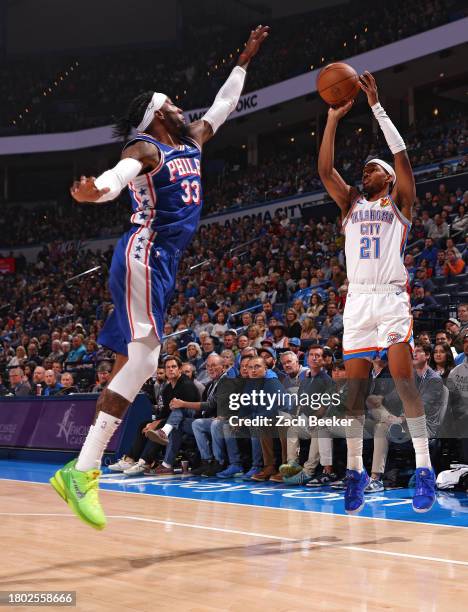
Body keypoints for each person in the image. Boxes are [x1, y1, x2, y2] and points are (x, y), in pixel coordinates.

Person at [49, 25, 270, 530]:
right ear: (157, 115)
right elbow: (118, 176)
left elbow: (223, 107)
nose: (180, 106)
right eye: (171, 103)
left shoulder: (190, 141)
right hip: (144, 254)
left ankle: (79, 471)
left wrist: (245, 58)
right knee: (147, 361)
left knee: (134, 362)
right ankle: (82, 472)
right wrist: (96, 191)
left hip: (160, 262)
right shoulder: (146, 147)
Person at [318, 70, 436, 514]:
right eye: (364, 169)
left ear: (386, 179)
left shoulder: (399, 204)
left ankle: (424, 469)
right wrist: (332, 120)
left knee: (403, 381)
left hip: (389, 296)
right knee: (353, 394)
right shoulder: (350, 204)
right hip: (358, 301)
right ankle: (355, 471)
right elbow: (325, 169)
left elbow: (402, 155)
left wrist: (375, 106)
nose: (362, 173)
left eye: (371, 169)